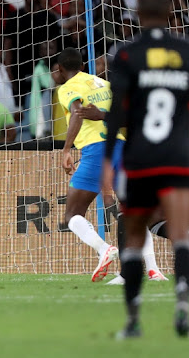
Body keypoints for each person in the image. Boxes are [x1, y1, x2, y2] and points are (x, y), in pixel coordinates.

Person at [101, 0, 189, 339]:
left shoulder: (126, 54)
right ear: (170, 13)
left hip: (140, 158)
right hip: (178, 156)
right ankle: (183, 312)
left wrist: (107, 160)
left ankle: (133, 322)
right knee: (179, 235)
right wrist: (181, 128)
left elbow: (116, 111)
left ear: (137, 15)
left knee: (134, 237)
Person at [77, 41, 189, 285]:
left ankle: (127, 275)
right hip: (180, 155)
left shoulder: (144, 84)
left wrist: (101, 116)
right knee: (155, 220)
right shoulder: (181, 80)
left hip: (151, 154)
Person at [57, 47, 122, 282]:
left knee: (72, 214)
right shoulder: (102, 83)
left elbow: (77, 112)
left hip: (97, 149)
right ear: (83, 66)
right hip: (123, 146)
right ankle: (149, 270)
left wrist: (66, 149)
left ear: (60, 69)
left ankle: (104, 249)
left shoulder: (68, 87)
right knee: (129, 212)